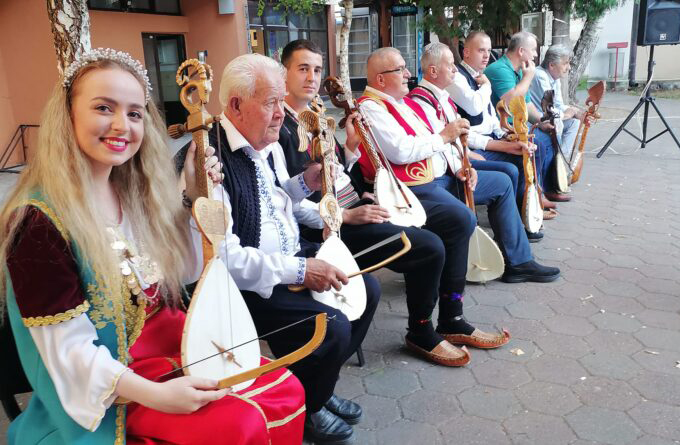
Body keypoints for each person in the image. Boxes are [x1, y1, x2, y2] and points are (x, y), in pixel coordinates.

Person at [0, 48, 306, 444]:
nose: (121, 125)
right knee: (239, 424)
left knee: (285, 390)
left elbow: (182, 274)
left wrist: (193, 203)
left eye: (134, 113)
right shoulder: (38, 222)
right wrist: (160, 396)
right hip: (111, 386)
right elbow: (70, 353)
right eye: (103, 107)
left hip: (168, 349)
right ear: (68, 115)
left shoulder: (132, 191)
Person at [182, 53, 380, 445]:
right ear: (236, 105)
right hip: (251, 285)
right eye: (271, 102)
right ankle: (306, 409)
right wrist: (303, 271)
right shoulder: (210, 160)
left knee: (368, 290)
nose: (280, 113)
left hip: (290, 255)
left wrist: (304, 183)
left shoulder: (264, 142)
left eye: (279, 101)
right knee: (332, 327)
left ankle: (317, 389)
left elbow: (270, 199)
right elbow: (226, 258)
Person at [280, 40, 510, 368]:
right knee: (431, 245)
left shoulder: (316, 115)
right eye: (303, 69)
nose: (312, 77)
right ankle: (420, 330)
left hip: (358, 205)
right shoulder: (282, 127)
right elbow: (286, 199)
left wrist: (349, 154)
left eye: (317, 69)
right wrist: (347, 214)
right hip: (331, 228)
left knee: (458, 222)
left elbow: (333, 176)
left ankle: (452, 315)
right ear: (283, 73)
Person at [361, 46, 560, 284]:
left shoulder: (402, 103)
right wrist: (454, 145)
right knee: (475, 206)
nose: (407, 74)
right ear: (381, 79)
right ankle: (482, 274)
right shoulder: (377, 105)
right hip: (415, 186)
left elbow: (444, 141)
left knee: (505, 177)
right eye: (401, 69)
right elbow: (406, 149)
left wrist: (460, 166)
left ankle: (515, 255)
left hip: (437, 176)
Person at [448, 32, 538, 209]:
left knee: (529, 150)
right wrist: (487, 86)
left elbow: (490, 117)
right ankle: (522, 210)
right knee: (515, 164)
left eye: (488, 50)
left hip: (488, 137)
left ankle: (528, 206)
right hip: (473, 145)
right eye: (481, 50)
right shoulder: (457, 76)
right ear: (466, 52)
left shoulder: (479, 75)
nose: (486, 55)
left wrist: (505, 133)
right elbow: (474, 106)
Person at [483, 31, 570, 204]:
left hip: (517, 126)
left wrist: (542, 122)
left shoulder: (521, 71)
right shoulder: (499, 69)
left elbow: (527, 105)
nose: (536, 55)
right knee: (537, 144)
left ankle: (544, 188)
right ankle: (529, 199)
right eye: (534, 50)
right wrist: (529, 76)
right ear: (521, 51)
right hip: (502, 128)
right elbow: (512, 102)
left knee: (549, 136)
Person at [529, 44, 583, 158]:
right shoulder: (540, 75)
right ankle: (558, 161)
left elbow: (558, 104)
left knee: (574, 122)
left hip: (548, 119)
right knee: (558, 123)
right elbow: (550, 109)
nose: (568, 67)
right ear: (552, 65)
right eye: (565, 63)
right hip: (536, 121)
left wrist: (572, 110)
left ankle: (561, 160)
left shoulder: (554, 78)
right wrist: (567, 113)